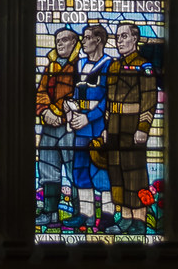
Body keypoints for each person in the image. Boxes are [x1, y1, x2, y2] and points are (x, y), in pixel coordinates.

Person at [103, 23, 157, 234]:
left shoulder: (144, 66)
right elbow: (109, 99)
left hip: (132, 124)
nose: (120, 41)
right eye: (118, 37)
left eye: (124, 36)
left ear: (135, 39)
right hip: (114, 124)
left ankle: (140, 219)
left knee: (135, 172)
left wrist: (143, 126)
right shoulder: (113, 66)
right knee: (116, 171)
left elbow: (150, 98)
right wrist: (106, 127)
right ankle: (125, 218)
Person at [64, 24, 115, 230]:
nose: (83, 41)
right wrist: (71, 111)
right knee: (81, 169)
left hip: (99, 125)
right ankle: (86, 214)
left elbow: (108, 99)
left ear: (99, 40)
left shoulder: (109, 65)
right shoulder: (80, 64)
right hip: (80, 125)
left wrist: (90, 118)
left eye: (86, 38)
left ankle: (108, 214)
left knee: (101, 170)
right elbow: (77, 94)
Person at [35, 27, 80, 228]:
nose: (59, 44)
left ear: (74, 43)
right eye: (57, 40)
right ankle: (50, 212)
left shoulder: (81, 65)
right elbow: (41, 91)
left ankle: (81, 213)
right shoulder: (51, 65)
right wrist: (45, 111)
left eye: (64, 40)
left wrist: (60, 114)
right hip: (49, 125)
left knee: (74, 169)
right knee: (47, 167)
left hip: (71, 126)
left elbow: (78, 94)